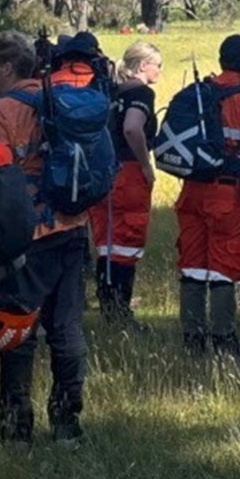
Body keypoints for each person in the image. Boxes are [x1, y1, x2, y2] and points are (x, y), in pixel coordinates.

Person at [0, 31, 91, 442]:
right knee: (66, 328)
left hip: (28, 234)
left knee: (19, 329)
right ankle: (67, 421)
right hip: (74, 226)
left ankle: (16, 425)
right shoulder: (59, 98)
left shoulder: (1, 111)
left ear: (7, 67)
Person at [176, 34, 240, 358]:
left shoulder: (199, 95)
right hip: (228, 194)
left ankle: (192, 337)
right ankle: (224, 339)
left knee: (192, 263)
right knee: (224, 266)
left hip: (192, 190)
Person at [91, 39, 163, 320]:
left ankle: (107, 303)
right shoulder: (140, 94)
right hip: (129, 172)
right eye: (158, 66)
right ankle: (120, 309)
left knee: (106, 242)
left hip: (103, 171)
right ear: (144, 66)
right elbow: (133, 128)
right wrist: (146, 165)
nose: (159, 71)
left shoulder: (110, 92)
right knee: (127, 241)